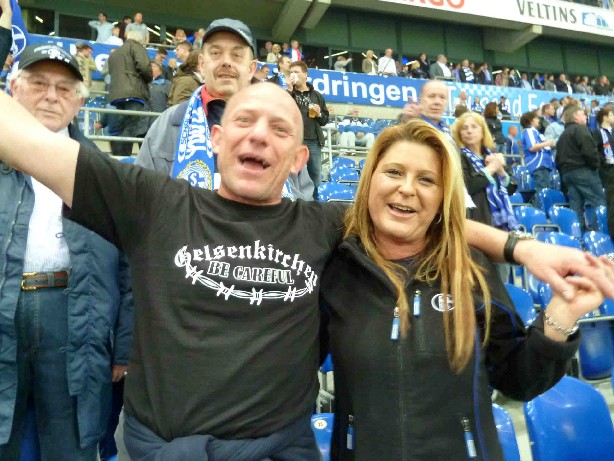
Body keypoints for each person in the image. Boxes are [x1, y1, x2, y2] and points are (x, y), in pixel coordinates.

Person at [1, 78, 614, 461]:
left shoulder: (323, 225)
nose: (258, 137)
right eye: (244, 121)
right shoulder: (152, 201)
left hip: (279, 451)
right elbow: (23, 141)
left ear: (298, 159)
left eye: (279, 129)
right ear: (216, 138)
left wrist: (524, 249)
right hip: (167, 450)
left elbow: (426, 218)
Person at [320, 119, 606, 460]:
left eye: (426, 179)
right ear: (370, 180)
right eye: (394, 172)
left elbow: (518, 380)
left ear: (443, 197)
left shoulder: (472, 270)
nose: (407, 188)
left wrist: (563, 313)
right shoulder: (336, 267)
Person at [0, 43, 133, 461]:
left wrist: (124, 346)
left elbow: (130, 264)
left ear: (78, 103)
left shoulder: (106, 173)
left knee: (72, 442)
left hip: (75, 318)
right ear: (14, 89)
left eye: (63, 89)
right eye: (38, 84)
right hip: (3, 310)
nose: (50, 96)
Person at [137, 18, 313, 203]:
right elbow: (143, 198)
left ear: (251, 68)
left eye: (236, 55)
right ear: (202, 64)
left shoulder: (282, 128)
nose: (226, 62)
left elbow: (303, 201)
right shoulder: (170, 123)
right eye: (215, 53)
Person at [452, 112, 518, 281]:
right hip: (477, 224)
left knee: (501, 281)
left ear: (483, 131)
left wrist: (501, 170)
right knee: (480, 280)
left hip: (500, 226)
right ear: (459, 134)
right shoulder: (458, 156)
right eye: (464, 128)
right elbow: (468, 187)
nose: (469, 131)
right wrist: (491, 169)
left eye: (474, 127)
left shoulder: (492, 154)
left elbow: (511, 188)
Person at [556, 105, 606, 232]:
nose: (586, 116)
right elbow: (589, 151)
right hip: (584, 172)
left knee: (576, 207)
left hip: (567, 174)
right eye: (583, 114)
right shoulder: (581, 129)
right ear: (575, 117)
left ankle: (578, 236)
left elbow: (557, 158)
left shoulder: (562, 136)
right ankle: (599, 234)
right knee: (598, 202)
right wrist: (596, 165)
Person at [288, 60, 329, 199]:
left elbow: (325, 120)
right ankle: (297, 204)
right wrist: (289, 90)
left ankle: (315, 205)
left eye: (296, 72)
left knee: (315, 175)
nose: (293, 75)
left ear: (305, 74)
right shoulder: (288, 93)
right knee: (293, 175)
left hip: (313, 141)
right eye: (291, 72)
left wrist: (319, 114)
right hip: (294, 140)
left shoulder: (316, 95)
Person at [108, 30, 153, 156]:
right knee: (131, 125)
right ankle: (123, 157)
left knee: (121, 126)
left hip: (117, 94)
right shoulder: (137, 47)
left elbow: (111, 71)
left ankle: (117, 156)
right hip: (134, 92)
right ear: (139, 39)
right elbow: (144, 67)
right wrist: (149, 78)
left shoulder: (115, 53)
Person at [520, 110, 555, 191]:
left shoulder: (536, 132)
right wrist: (547, 143)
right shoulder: (529, 131)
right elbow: (532, 147)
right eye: (536, 118)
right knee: (543, 190)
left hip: (544, 165)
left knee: (546, 190)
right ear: (531, 120)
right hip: (538, 164)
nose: (538, 120)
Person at [594, 107, 614, 240]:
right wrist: (604, 162)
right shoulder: (597, 132)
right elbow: (595, 151)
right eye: (611, 115)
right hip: (607, 170)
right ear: (605, 117)